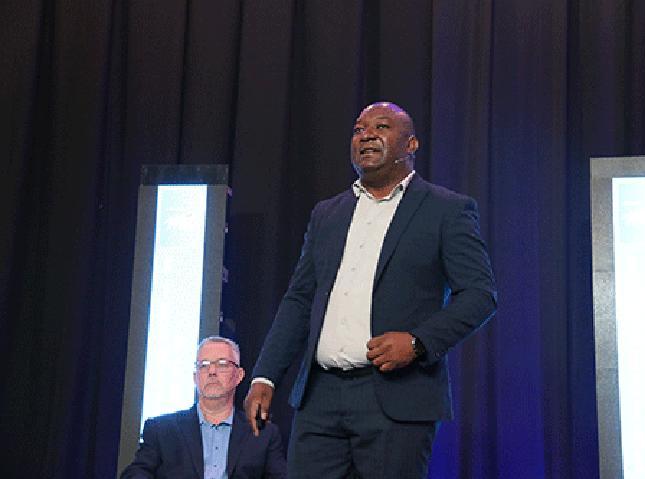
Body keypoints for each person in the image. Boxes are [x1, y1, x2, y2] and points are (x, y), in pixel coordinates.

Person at [243, 102, 497, 479]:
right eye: (359, 130)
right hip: (319, 399)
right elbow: (299, 299)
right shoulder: (327, 214)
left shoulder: (447, 209)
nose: (367, 136)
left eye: (381, 127)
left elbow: (480, 294)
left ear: (411, 144)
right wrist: (265, 376)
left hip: (396, 399)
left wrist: (417, 342)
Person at [121, 336, 287, 479]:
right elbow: (135, 473)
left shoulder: (264, 434)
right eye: (204, 365)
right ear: (195, 377)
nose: (212, 371)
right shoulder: (161, 430)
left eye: (222, 364)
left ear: (239, 375)